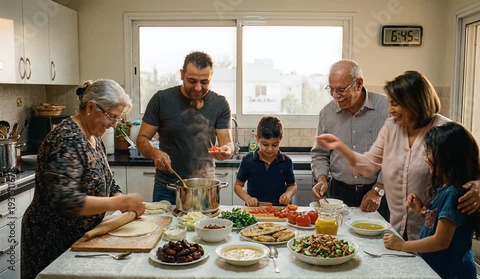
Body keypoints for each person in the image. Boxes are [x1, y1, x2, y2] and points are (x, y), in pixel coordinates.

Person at [316, 70, 480, 240]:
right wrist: (340, 146)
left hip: (434, 234)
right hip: (395, 229)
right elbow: (367, 166)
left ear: (414, 103)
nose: (390, 110)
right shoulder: (391, 127)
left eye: (395, 104)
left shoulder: (445, 130)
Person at [21, 80, 146, 279]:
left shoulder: (94, 136)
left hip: (82, 238)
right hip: (53, 240)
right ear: (90, 108)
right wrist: (119, 202)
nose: (114, 124)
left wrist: (121, 199)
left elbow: (107, 179)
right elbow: (66, 201)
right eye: (112, 117)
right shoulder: (66, 139)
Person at [384, 122, 480, 279]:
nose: (425, 158)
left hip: (452, 273)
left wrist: (402, 245)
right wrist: (422, 210)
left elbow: (440, 241)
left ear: (446, 158)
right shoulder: (444, 187)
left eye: (429, 152)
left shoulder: (454, 194)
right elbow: (443, 221)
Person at [137, 51, 234, 204]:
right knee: (164, 227)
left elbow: (227, 143)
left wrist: (227, 150)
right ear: (182, 74)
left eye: (204, 82)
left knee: (206, 226)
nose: (197, 88)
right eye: (192, 80)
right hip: (168, 187)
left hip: (205, 187)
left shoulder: (220, 104)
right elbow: (142, 139)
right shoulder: (161, 100)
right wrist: (155, 153)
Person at [311, 59, 390, 221]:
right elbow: (320, 154)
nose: (335, 95)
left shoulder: (386, 108)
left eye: (340, 89)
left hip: (378, 193)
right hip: (339, 193)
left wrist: (379, 189)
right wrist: (322, 178)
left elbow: (395, 154)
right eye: (331, 89)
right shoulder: (327, 113)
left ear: (359, 84)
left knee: (377, 243)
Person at [234, 115, 297, 206]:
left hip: (279, 210)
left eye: (275, 145)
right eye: (265, 144)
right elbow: (238, 186)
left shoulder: (286, 161)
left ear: (280, 139)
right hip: (254, 209)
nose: (270, 149)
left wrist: (288, 194)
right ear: (257, 138)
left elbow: (292, 185)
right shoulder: (248, 160)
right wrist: (248, 198)